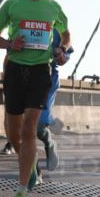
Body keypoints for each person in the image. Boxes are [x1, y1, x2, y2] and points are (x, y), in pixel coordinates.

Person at [0, 0, 70, 197]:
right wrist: (9, 45)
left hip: (40, 71)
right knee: (13, 134)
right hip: (14, 69)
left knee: (29, 128)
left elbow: (66, 35)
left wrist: (62, 50)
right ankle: (31, 166)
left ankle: (21, 194)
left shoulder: (53, 8)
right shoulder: (12, 5)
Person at [36, 27, 73, 177]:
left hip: (47, 78)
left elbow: (66, 52)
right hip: (23, 77)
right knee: (24, 129)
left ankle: (49, 143)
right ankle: (34, 172)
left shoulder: (55, 27)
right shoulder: (21, 19)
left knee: (38, 126)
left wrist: (61, 56)